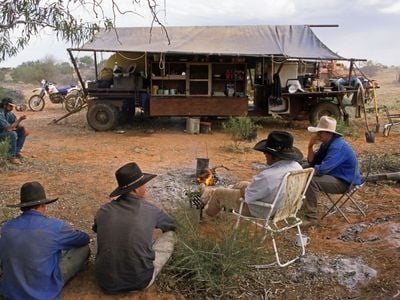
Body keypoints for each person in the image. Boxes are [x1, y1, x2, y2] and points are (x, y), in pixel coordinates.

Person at [93, 162, 176, 293]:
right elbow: (173, 225)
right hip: (140, 281)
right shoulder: (151, 210)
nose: (146, 188)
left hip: (105, 282)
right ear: (136, 189)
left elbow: (97, 229)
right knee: (172, 235)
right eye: (144, 184)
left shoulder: (103, 211)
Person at [0, 182, 90, 300]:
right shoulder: (55, 226)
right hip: (46, 295)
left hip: (11, 295)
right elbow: (84, 239)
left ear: (22, 206)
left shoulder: (7, 227)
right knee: (83, 249)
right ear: (43, 204)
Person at [200, 131, 303, 218]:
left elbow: (247, 196)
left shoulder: (268, 175)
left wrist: (244, 189)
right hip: (285, 207)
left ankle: (207, 216)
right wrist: (245, 186)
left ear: (271, 155)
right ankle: (208, 193)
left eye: (265, 153)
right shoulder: (297, 167)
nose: (265, 155)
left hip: (263, 210)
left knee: (219, 193)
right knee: (242, 183)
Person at [303, 116, 361, 224]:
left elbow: (322, 169)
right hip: (336, 176)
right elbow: (313, 162)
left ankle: (311, 219)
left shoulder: (337, 147)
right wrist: (310, 146)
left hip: (345, 182)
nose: (318, 135)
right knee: (306, 169)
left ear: (329, 133)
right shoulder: (326, 144)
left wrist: (303, 174)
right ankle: (302, 208)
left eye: (320, 132)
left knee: (311, 181)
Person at [0, 97, 30, 165]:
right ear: (5, 105)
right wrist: (20, 119)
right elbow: (8, 128)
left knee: (22, 131)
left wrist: (23, 127)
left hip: (4, 132)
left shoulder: (9, 114)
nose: (12, 108)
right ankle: (11, 157)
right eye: (10, 106)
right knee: (12, 134)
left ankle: (16, 152)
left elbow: (16, 124)